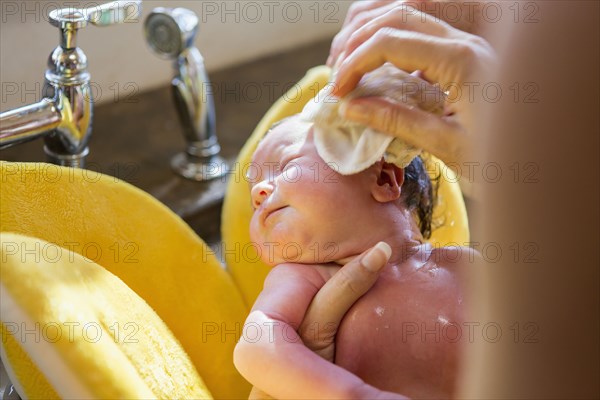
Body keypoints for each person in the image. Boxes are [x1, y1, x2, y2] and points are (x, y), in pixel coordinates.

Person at [233, 114, 475, 399]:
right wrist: (356, 394)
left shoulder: (462, 265)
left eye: (287, 165)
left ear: (384, 178)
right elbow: (255, 348)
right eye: (253, 198)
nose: (259, 194)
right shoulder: (308, 278)